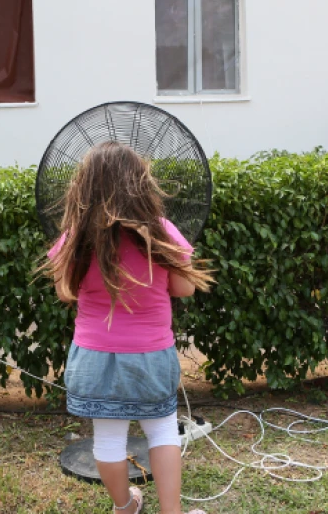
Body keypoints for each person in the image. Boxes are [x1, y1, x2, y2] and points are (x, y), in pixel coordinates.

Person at [39, 141, 214, 514]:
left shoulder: (75, 237)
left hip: (94, 356)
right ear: (140, 184)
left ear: (84, 186)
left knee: (107, 440)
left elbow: (65, 292)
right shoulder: (162, 231)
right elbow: (183, 287)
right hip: (151, 355)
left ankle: (124, 507)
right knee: (162, 432)